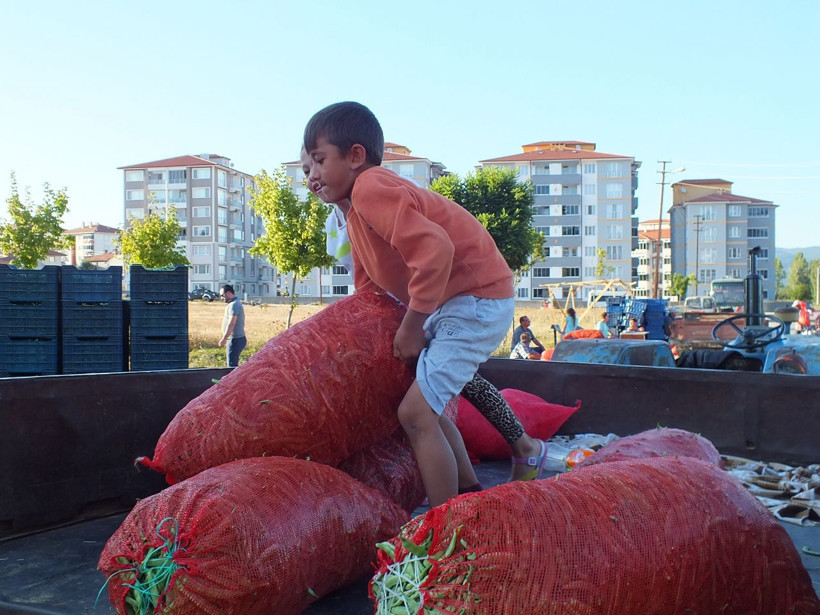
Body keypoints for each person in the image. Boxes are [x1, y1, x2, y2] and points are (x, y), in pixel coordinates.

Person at [303, 102, 542, 505]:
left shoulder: (370, 188)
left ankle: (447, 527)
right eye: (306, 167)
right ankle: (467, 492)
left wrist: (412, 326)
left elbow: (436, 251)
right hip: (453, 303)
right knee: (423, 406)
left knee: (415, 414)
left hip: (475, 300)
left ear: (356, 156)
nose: (311, 175)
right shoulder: (353, 214)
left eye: (319, 161)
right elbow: (368, 287)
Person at [218, 284, 246, 367]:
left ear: (228, 293)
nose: (221, 298)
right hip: (234, 339)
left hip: (235, 340)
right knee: (232, 365)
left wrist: (224, 338)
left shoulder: (234, 305)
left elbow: (231, 323)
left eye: (222, 295)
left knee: (231, 366)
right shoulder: (232, 304)